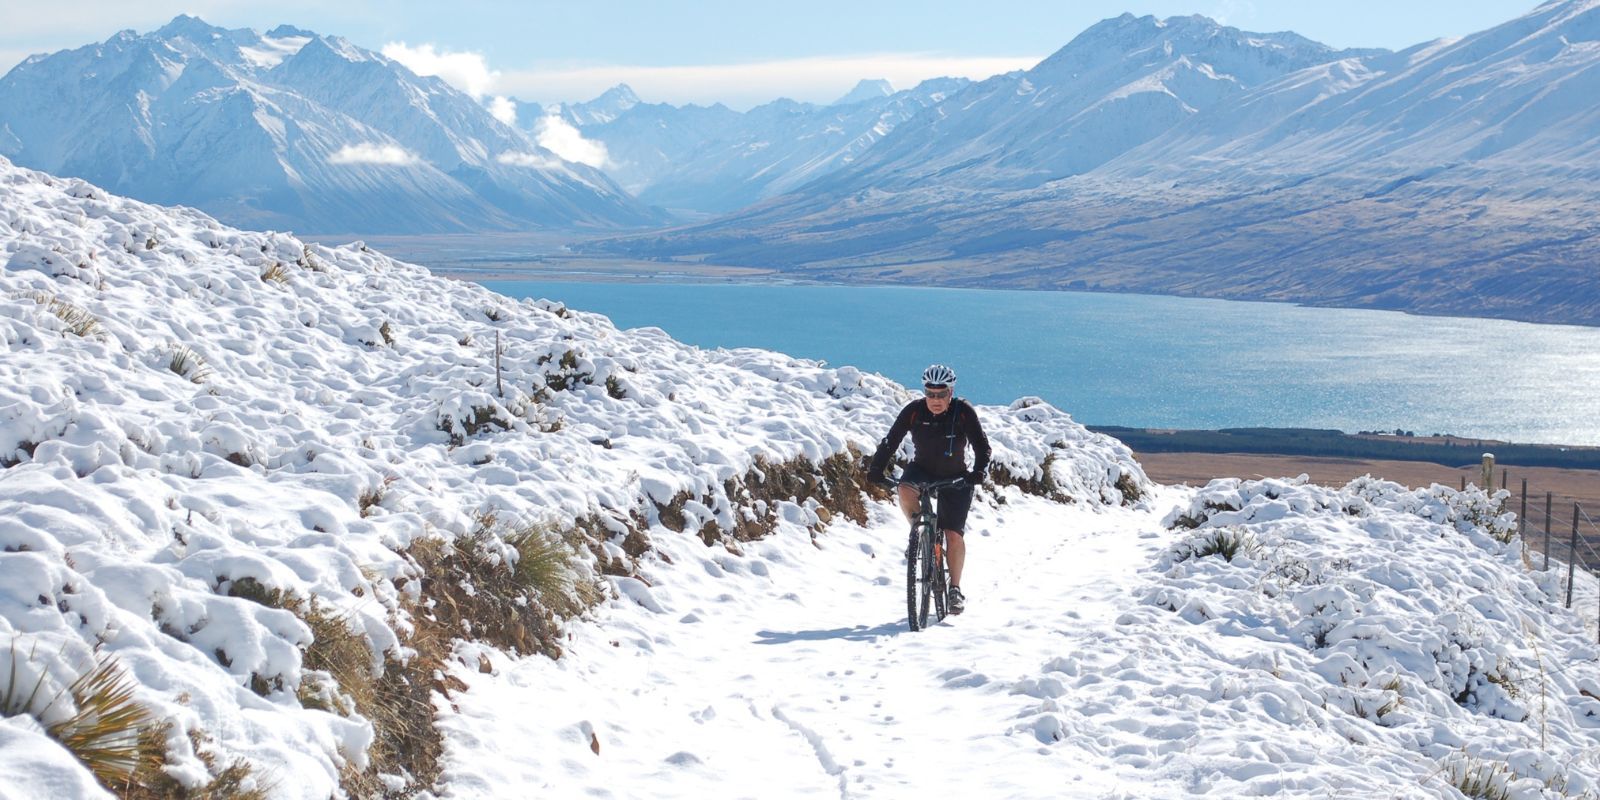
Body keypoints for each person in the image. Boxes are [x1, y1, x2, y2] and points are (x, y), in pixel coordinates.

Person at [866, 364, 991, 615]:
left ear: (950, 392)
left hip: (956, 476)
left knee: (953, 534)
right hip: (922, 469)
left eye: (941, 394)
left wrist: (977, 472)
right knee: (904, 487)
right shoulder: (913, 411)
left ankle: (954, 589)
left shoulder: (963, 412)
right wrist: (876, 469)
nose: (935, 399)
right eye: (930, 393)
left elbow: (981, 446)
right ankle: (919, 536)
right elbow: (891, 441)